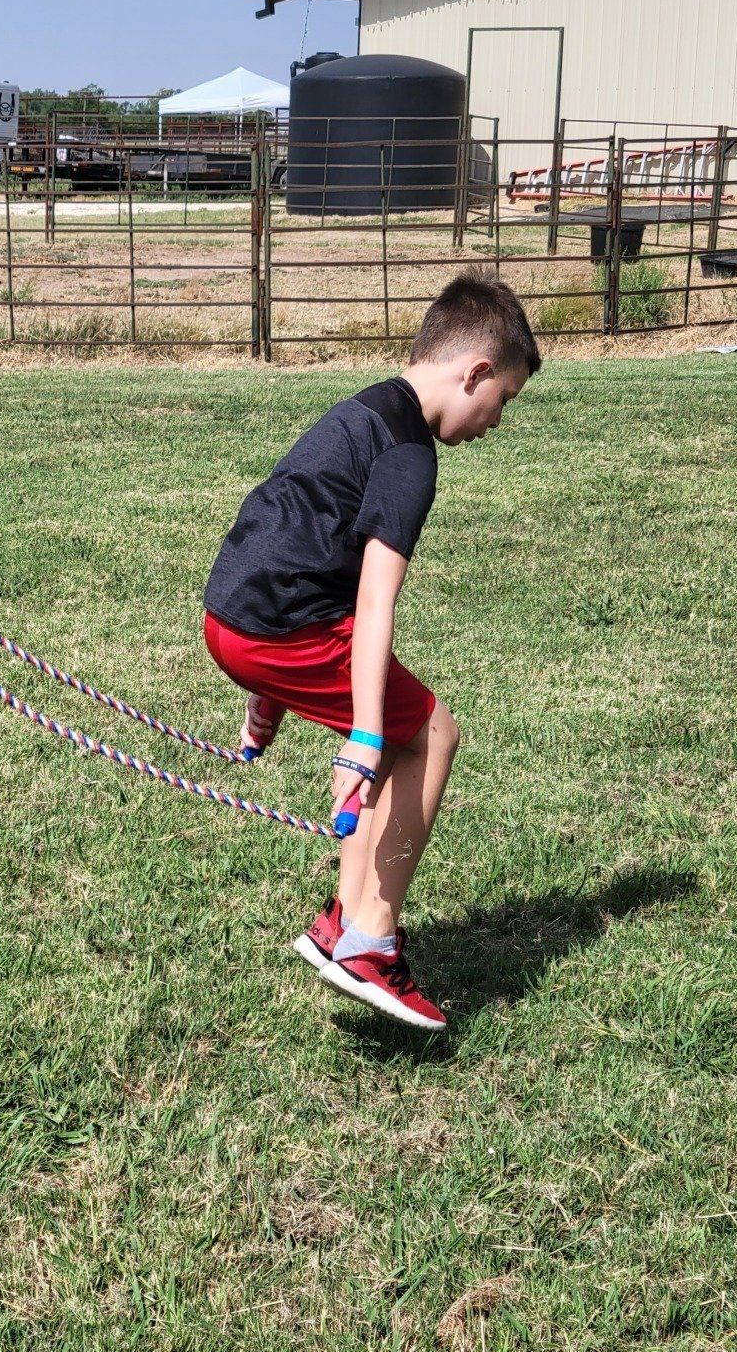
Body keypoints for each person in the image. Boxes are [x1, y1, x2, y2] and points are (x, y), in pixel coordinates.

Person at [202, 274, 540, 1029]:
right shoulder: (409, 457)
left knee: (395, 728)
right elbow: (373, 600)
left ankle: (342, 924)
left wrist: (269, 693)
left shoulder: (362, 409)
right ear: (475, 372)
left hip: (232, 616)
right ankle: (371, 941)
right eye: (504, 400)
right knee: (432, 734)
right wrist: (359, 736)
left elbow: (290, 532)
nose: (496, 421)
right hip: (279, 631)